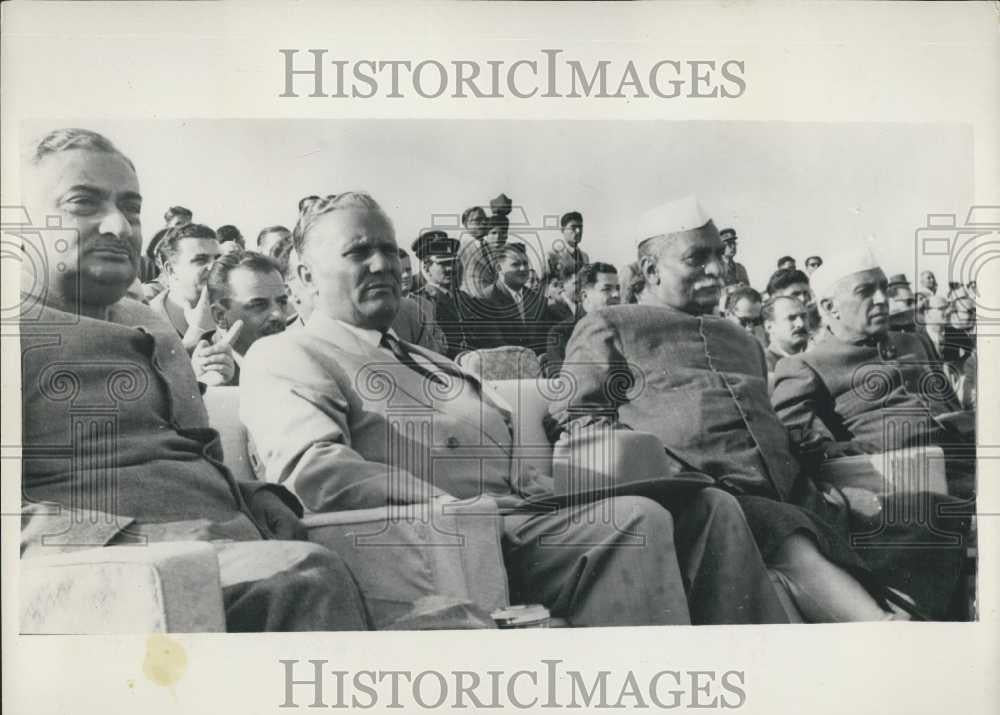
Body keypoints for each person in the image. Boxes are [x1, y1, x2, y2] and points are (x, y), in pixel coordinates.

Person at [240, 191, 792, 626]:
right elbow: (314, 474)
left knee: (708, 507)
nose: (383, 264)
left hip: (520, 523)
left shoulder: (430, 361)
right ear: (305, 277)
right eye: (359, 252)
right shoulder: (289, 354)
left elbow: (514, 454)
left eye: (390, 249)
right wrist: (462, 504)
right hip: (438, 543)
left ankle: (751, 687)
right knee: (635, 523)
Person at [19, 128, 369, 632]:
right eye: (83, 203)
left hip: (230, 556)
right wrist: (146, 543)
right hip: (114, 582)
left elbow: (191, 458)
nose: (119, 225)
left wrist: (256, 498)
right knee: (309, 579)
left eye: (131, 207)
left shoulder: (151, 323)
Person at [550, 195, 920, 622]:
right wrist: (660, 467)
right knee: (786, 534)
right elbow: (577, 417)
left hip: (797, 492)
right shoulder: (612, 326)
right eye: (697, 259)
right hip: (704, 498)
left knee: (911, 515)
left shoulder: (741, 340)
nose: (717, 270)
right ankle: (881, 628)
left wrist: (822, 449)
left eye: (719, 256)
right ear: (650, 271)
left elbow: (770, 423)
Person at [770, 254, 974, 506]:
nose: (882, 299)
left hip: (971, 465)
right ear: (830, 307)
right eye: (865, 291)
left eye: (883, 289)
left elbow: (952, 408)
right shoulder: (806, 367)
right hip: (905, 489)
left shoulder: (915, 342)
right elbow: (808, 452)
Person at [202, 250, 290, 383]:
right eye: (259, 305)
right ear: (220, 316)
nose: (278, 315)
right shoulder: (193, 371)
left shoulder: (298, 359)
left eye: (282, 302)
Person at [480, 242, 559, 355]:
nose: (523, 269)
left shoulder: (538, 300)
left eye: (525, 263)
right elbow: (495, 345)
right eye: (515, 264)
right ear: (499, 268)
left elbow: (545, 341)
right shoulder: (486, 299)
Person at [546, 262, 620, 377]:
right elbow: (560, 384)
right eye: (607, 289)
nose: (616, 294)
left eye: (617, 288)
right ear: (585, 295)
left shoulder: (623, 327)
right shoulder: (561, 334)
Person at [762, 295, 810, 372]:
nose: (800, 324)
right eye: (791, 318)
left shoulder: (815, 354)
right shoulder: (763, 366)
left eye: (803, 316)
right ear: (769, 327)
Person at [457, 205, 493, 298]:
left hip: (494, 301)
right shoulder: (460, 248)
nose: (484, 222)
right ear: (466, 224)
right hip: (472, 301)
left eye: (485, 219)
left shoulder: (492, 247)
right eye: (478, 220)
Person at [546, 211, 590, 278]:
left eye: (580, 227)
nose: (578, 231)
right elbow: (544, 284)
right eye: (573, 228)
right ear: (562, 230)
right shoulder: (552, 255)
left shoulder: (585, 257)